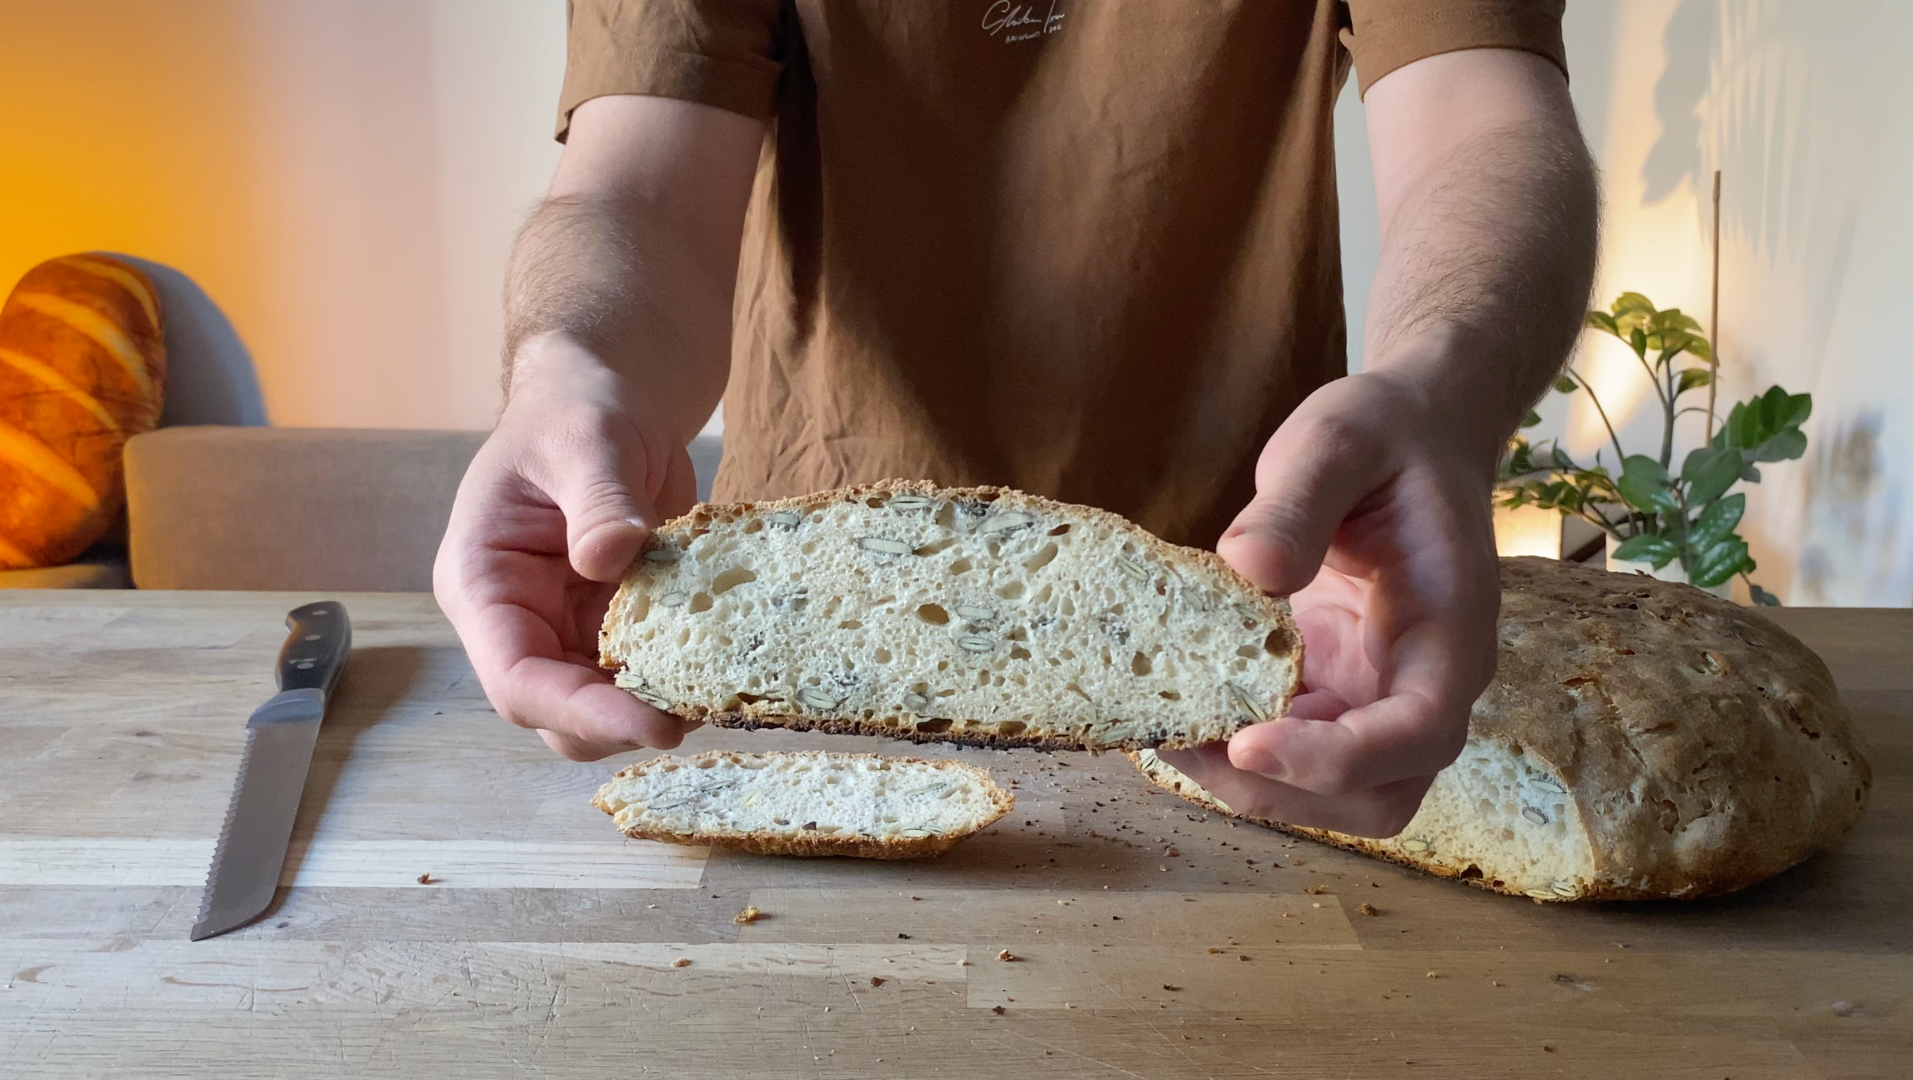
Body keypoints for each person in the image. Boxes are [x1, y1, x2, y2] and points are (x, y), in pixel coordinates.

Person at [435, 0, 1598, 839]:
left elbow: (1482, 121)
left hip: (1272, 639)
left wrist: (1437, 393)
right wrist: (567, 369)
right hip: (786, 660)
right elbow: (637, 185)